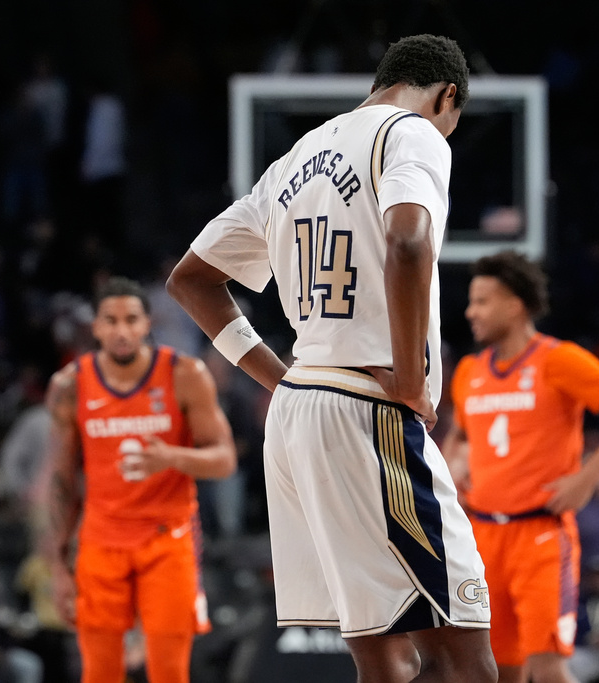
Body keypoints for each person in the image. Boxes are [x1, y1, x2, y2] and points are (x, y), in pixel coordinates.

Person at [167, 34, 498, 683]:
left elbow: (191, 278)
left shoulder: (298, 157)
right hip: (367, 408)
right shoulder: (415, 133)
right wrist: (411, 378)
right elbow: (409, 241)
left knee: (386, 658)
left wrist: (277, 377)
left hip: (299, 413)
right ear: (446, 96)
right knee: (468, 654)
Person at [441, 250, 599, 683]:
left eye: (482, 301)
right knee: (497, 670)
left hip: (540, 533)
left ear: (515, 305)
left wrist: (588, 477)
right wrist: (454, 467)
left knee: (548, 669)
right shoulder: (468, 371)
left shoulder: (558, 360)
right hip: (482, 537)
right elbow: (463, 437)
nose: (470, 312)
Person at [44, 276, 237, 683]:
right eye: (110, 320)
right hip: (100, 541)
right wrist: (58, 563)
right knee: (98, 673)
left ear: (147, 323)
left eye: (131, 319)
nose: (121, 330)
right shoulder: (69, 385)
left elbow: (225, 460)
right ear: (94, 327)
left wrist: (173, 457)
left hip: (167, 540)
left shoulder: (184, 374)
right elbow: (61, 480)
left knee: (169, 671)